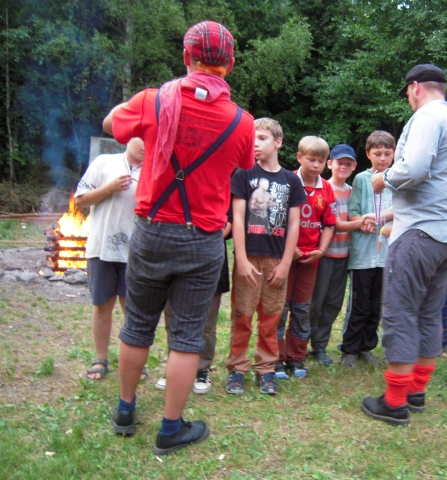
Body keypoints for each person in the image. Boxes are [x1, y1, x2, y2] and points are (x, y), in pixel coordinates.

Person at [103, 20, 255, 454]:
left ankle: (125, 411)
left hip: (151, 232)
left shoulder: (152, 100)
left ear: (187, 57)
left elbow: (112, 124)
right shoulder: (242, 122)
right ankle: (170, 430)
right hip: (203, 238)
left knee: (137, 325)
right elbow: (244, 162)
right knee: (187, 336)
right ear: (229, 64)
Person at [360, 64, 447, 426]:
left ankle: (394, 402)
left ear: (416, 87)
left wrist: (383, 179)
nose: (408, 98)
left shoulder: (427, 117)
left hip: (419, 237)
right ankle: (416, 391)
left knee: (401, 311)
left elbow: (415, 169)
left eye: (407, 92)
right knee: (427, 312)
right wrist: (389, 215)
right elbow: (437, 188)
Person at [224, 118, 306, 395]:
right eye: (252, 139)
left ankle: (267, 368)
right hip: (249, 258)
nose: (255, 144)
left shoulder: (291, 181)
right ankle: (237, 368)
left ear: (278, 142)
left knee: (271, 317)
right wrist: (242, 259)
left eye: (262, 138)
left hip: (276, 260)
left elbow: (294, 223)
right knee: (242, 316)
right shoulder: (243, 174)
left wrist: (286, 263)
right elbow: (237, 217)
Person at [75, 138, 144, 381]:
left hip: (136, 252)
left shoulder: (154, 172)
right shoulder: (104, 162)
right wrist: (109, 188)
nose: (146, 145)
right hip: (101, 247)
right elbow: (80, 200)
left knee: (132, 308)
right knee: (102, 306)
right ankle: (100, 358)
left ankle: (134, 360)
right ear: (129, 137)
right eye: (142, 138)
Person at [276, 136, 336, 379]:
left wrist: (321, 250)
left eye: (321, 161)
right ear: (299, 157)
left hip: (311, 259)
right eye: (311, 159)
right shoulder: (287, 181)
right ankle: (276, 357)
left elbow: (329, 224)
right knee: (280, 307)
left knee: (302, 307)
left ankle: (296, 357)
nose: (316, 165)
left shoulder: (327, 188)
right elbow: (277, 219)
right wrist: (289, 248)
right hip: (285, 257)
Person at [155, 210, 232, 395]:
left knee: (207, 320)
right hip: (174, 253)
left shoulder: (218, 189)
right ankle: (174, 365)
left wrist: (204, 242)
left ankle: (202, 369)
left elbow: (228, 221)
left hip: (209, 253)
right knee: (172, 317)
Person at [340, 131, 395, 368]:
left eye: (387, 153)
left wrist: (392, 226)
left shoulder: (397, 180)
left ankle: (367, 347)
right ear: (368, 154)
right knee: (359, 305)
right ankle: (349, 349)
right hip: (363, 254)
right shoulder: (362, 180)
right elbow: (352, 213)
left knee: (375, 306)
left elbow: (404, 212)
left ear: (394, 154)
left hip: (387, 255)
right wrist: (364, 222)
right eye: (377, 153)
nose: (382, 158)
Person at [308, 144, 362, 366]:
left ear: (354, 166)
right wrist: (363, 222)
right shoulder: (323, 188)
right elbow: (336, 224)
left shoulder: (352, 192)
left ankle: (319, 345)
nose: (343, 167)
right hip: (323, 254)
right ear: (330, 164)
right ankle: (300, 342)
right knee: (315, 301)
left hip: (344, 255)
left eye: (348, 164)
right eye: (340, 162)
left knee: (333, 303)